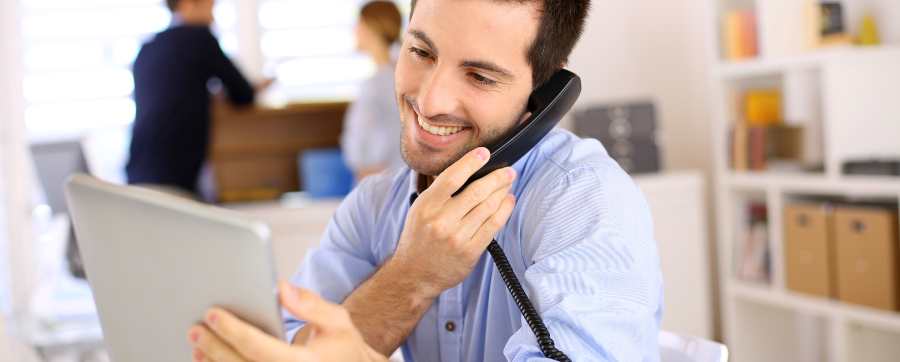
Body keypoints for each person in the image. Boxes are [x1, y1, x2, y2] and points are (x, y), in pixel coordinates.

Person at [188, 0, 664, 361]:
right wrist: (412, 274)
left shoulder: (585, 200)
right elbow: (292, 348)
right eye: (420, 51)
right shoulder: (373, 206)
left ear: (542, 97)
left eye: (479, 76)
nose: (430, 100)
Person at [126, 0, 270, 195]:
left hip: (139, 167)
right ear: (187, 4)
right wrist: (257, 88)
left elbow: (170, 94)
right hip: (176, 167)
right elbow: (242, 95)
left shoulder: (148, 47)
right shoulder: (200, 38)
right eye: (210, 7)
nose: (213, 16)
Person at [341, 1, 406, 180]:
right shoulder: (383, 76)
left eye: (359, 24)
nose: (354, 31)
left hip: (384, 178)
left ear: (371, 27)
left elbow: (400, 131)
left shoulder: (386, 81)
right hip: (379, 178)